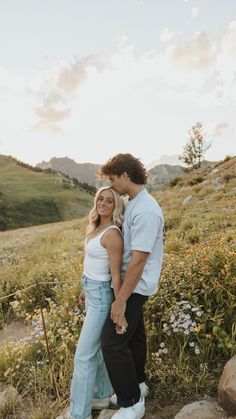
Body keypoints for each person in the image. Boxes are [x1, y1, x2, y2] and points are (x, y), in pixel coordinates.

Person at [100, 153, 164, 419]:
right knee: (135, 335)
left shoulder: (147, 211)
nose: (112, 185)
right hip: (131, 285)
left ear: (126, 175)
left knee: (112, 342)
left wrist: (121, 300)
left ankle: (132, 403)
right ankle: (138, 384)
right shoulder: (134, 202)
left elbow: (139, 261)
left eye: (113, 179)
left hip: (135, 287)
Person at [68, 186, 124, 419]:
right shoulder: (96, 227)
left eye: (109, 201)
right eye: (100, 198)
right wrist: (84, 290)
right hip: (91, 292)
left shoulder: (112, 234)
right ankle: (101, 396)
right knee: (97, 350)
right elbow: (90, 264)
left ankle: (78, 414)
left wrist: (118, 307)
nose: (103, 203)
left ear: (115, 206)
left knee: (83, 355)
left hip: (102, 296)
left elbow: (116, 275)